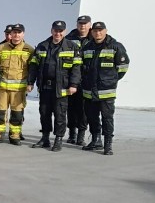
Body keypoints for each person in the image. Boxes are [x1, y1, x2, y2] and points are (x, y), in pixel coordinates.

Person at [27, 20, 82, 152]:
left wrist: (74, 85)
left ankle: (58, 140)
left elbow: (76, 68)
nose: (58, 33)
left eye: (60, 31)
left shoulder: (72, 47)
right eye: (56, 30)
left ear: (65, 31)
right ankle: (45, 138)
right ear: (51, 31)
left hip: (62, 88)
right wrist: (30, 82)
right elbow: (34, 66)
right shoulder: (42, 46)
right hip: (45, 87)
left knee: (60, 114)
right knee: (44, 113)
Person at [80, 21, 129, 155]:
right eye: (95, 31)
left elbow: (122, 68)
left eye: (100, 30)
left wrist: (111, 80)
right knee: (92, 117)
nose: (98, 33)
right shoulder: (87, 47)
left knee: (107, 118)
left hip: (106, 91)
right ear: (92, 32)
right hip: (89, 91)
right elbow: (81, 66)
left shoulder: (115, 47)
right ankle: (96, 140)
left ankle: (108, 144)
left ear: (106, 31)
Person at [0, 23, 34, 145]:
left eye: (19, 32)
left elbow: (33, 69)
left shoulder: (29, 50)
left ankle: (15, 136)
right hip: (2, 88)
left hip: (19, 89)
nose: (16, 35)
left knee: (17, 114)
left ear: (23, 34)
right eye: (14, 32)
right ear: (10, 34)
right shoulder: (1, 48)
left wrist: (31, 83)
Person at [64, 14, 92, 144]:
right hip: (70, 79)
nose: (83, 25)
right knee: (71, 108)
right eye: (80, 23)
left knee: (83, 109)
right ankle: (72, 134)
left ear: (90, 25)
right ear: (77, 25)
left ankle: (81, 135)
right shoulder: (69, 38)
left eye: (85, 23)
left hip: (86, 80)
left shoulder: (94, 39)